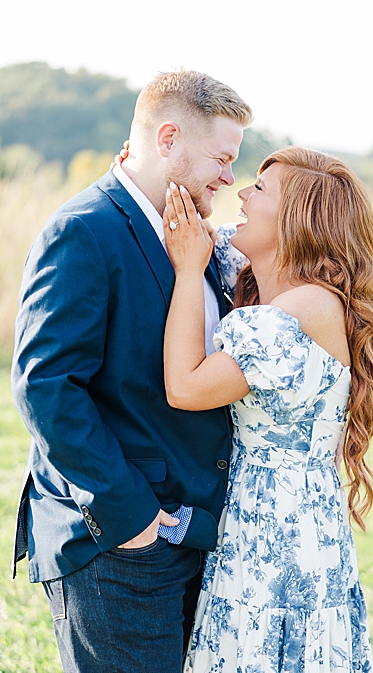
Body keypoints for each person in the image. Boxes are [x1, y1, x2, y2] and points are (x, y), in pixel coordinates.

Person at [11, 70, 252, 672]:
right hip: (118, 542)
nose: (229, 177)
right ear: (168, 138)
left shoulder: (193, 235)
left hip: (192, 534)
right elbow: (46, 386)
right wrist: (132, 515)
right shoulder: (83, 230)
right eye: (222, 158)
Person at [161, 146, 373, 672]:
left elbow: (186, 387)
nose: (241, 192)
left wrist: (188, 272)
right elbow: (202, 233)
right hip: (291, 519)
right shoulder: (295, 296)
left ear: (296, 221)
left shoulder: (301, 309)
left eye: (260, 190)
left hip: (276, 535)